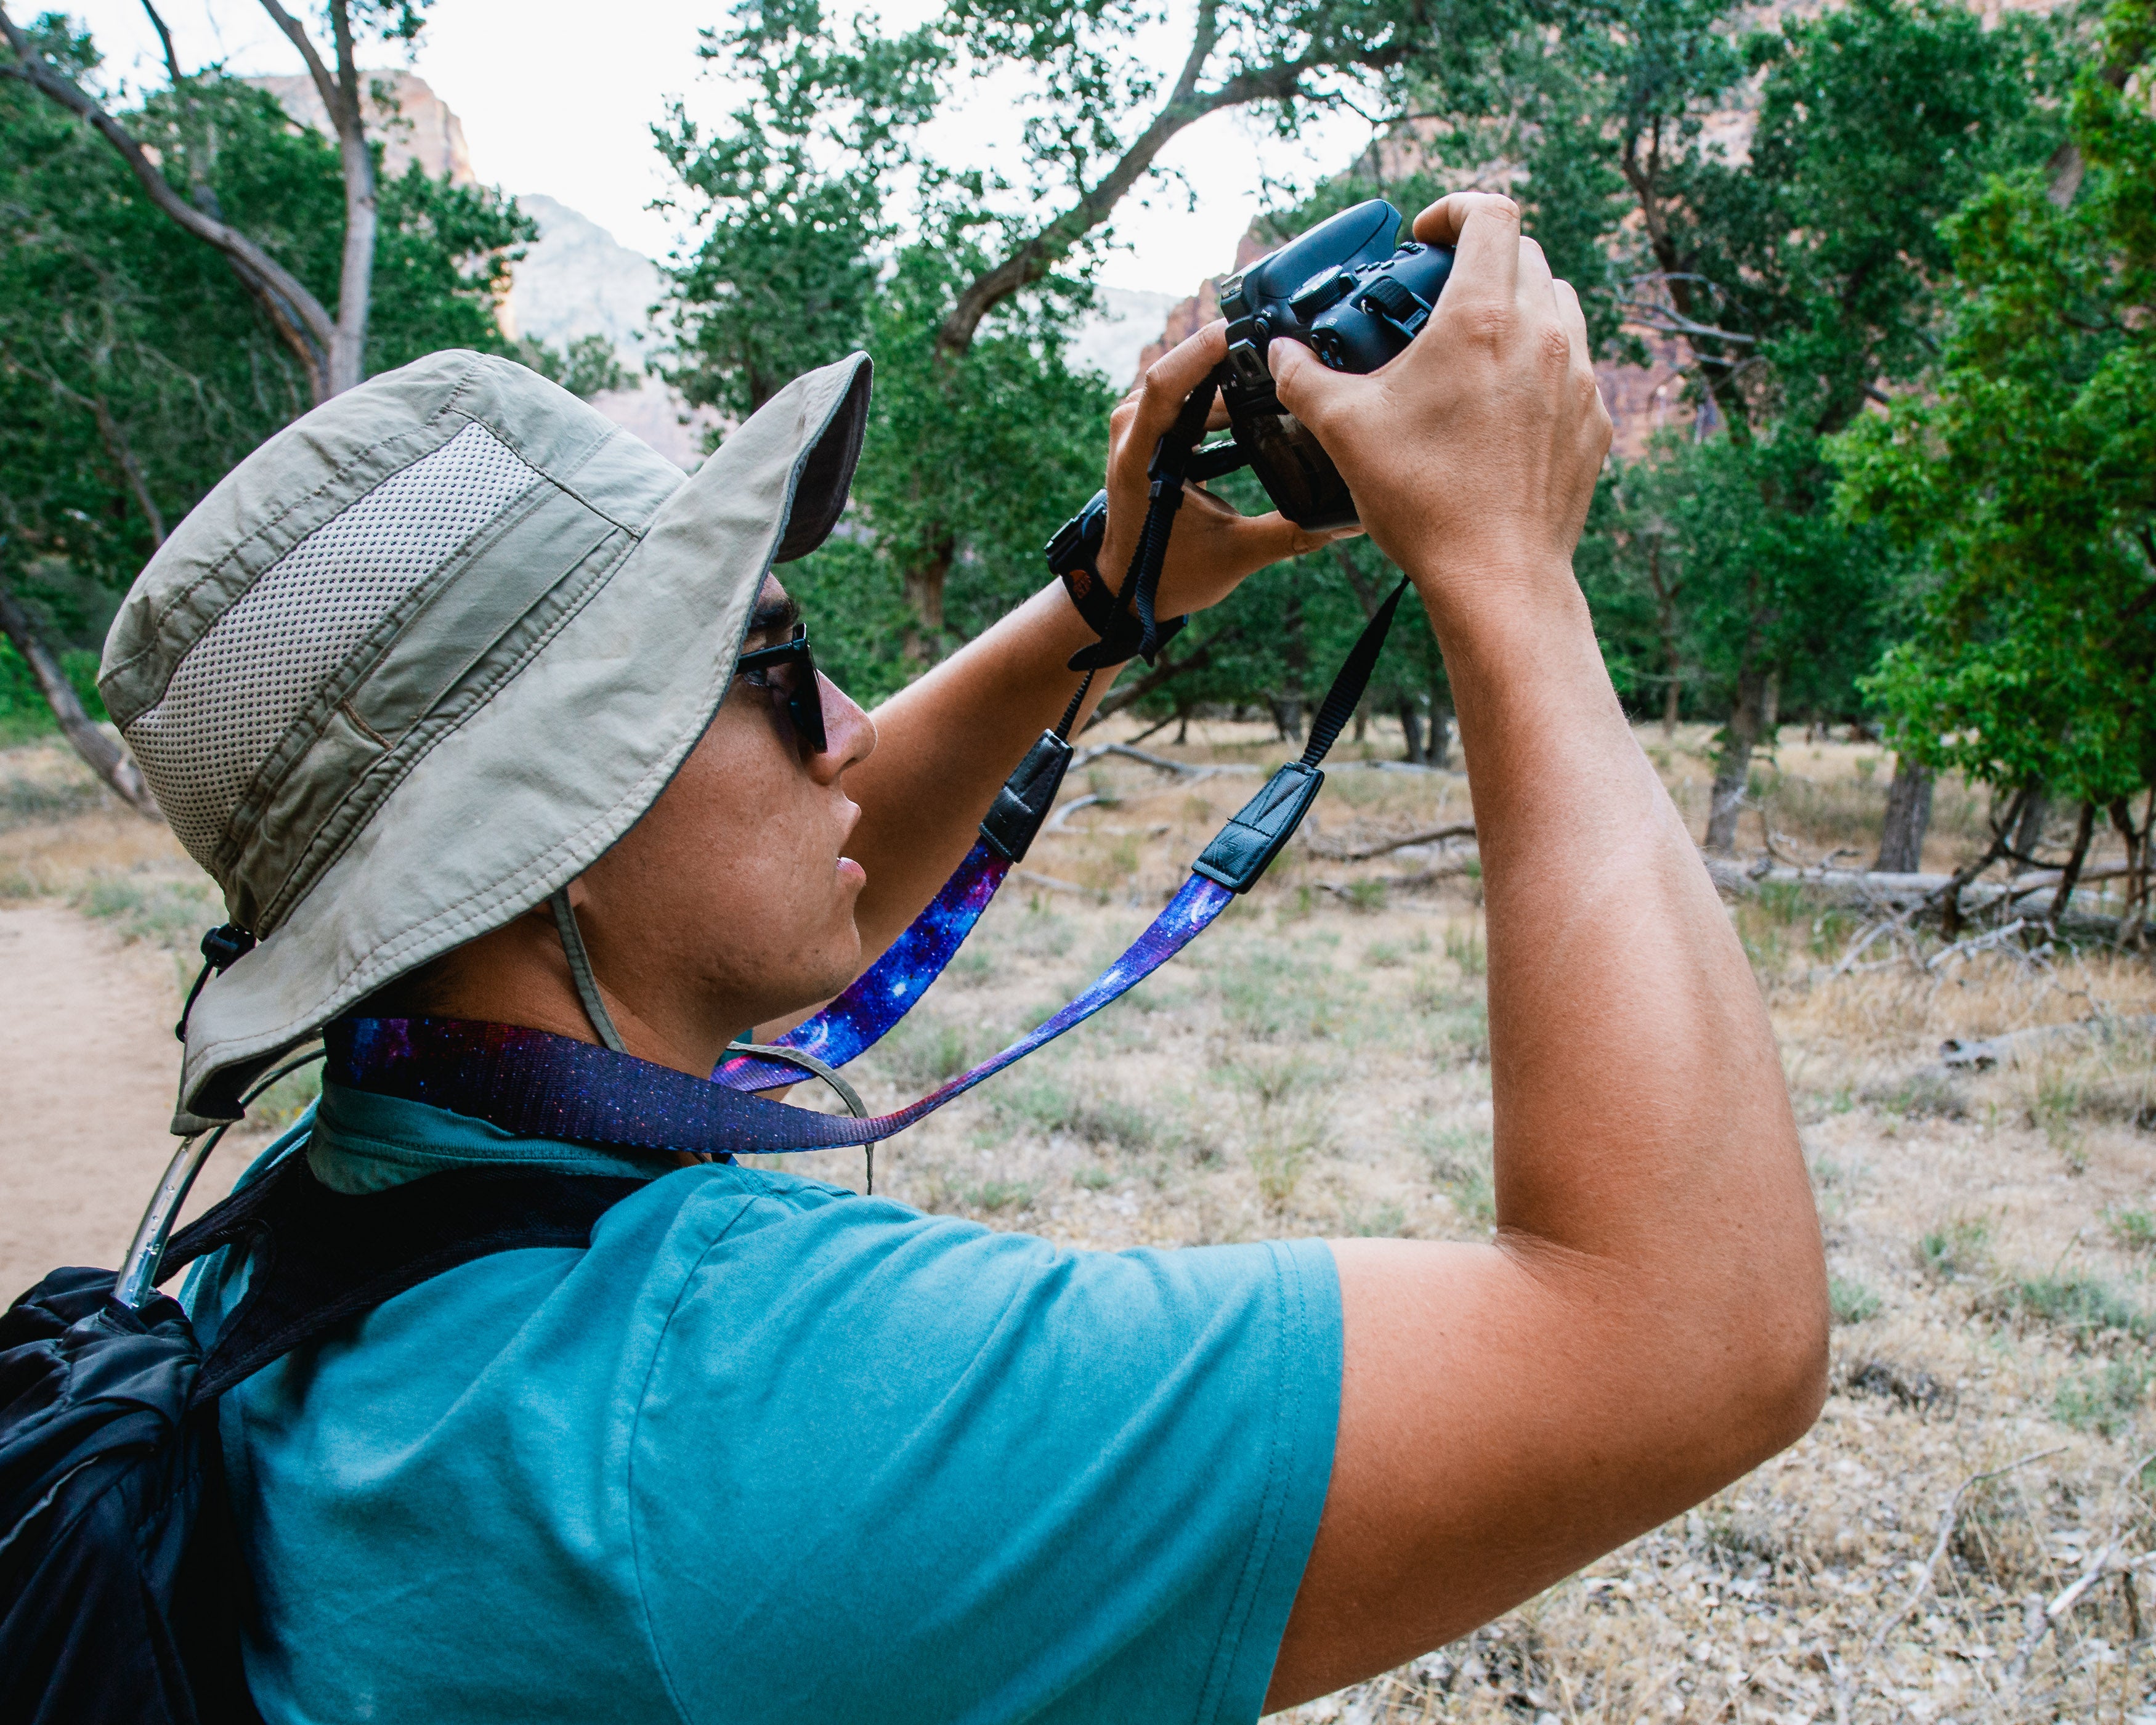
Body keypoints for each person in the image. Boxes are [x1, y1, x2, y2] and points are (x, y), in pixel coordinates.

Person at [105, 192, 1826, 1722]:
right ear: (544, 822)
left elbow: (793, 884)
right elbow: (1686, 1342)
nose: (847, 732)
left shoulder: (337, 1229)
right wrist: (1509, 572)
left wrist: (1107, 599)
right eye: (774, 669)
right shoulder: (722, 1423)